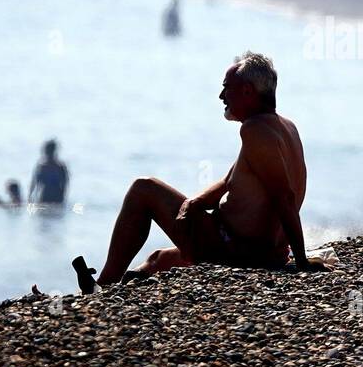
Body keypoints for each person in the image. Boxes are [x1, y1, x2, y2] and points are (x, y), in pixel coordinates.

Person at [72, 51, 316, 293]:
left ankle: (103, 286)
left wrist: (302, 261)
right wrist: (194, 203)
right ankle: (123, 288)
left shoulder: (255, 131)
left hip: (235, 250)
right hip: (255, 250)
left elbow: (284, 197)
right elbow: (229, 181)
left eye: (226, 88)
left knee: (143, 188)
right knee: (159, 259)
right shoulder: (284, 126)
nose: (221, 96)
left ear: (247, 91)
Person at [29, 139, 69, 205]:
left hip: (54, 197)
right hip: (46, 197)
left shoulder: (60, 167)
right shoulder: (41, 166)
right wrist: (30, 197)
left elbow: (65, 183)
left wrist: (30, 196)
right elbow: (34, 183)